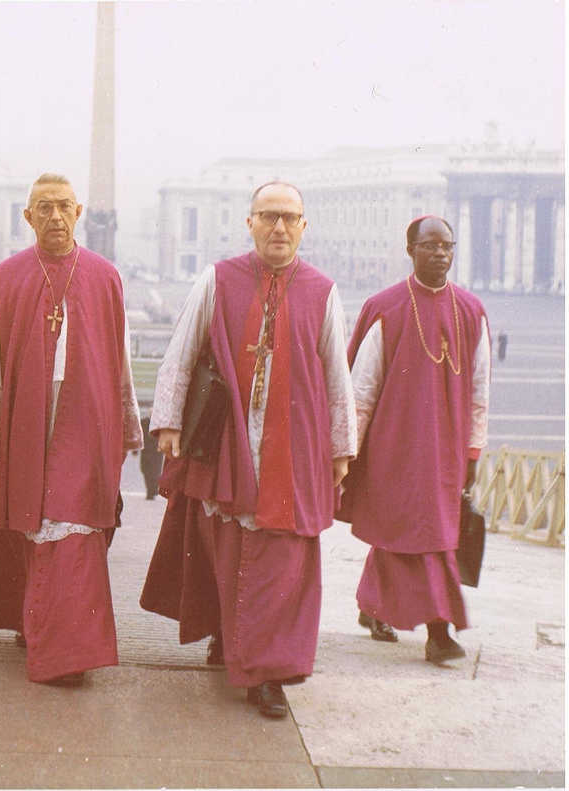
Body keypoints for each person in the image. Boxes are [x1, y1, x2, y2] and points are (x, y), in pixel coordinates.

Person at [139, 182, 357, 719]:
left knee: (281, 561)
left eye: (290, 218)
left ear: (304, 226)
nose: (279, 227)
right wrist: (167, 422)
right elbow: (182, 351)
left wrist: (341, 447)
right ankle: (230, 637)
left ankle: (270, 673)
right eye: (269, 216)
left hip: (295, 444)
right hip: (226, 440)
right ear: (250, 222)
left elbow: (337, 375)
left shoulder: (323, 291)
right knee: (228, 551)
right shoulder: (217, 279)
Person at [0, 173, 143, 686]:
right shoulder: (8, 276)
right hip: (24, 420)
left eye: (64, 206)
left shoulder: (105, 276)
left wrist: (127, 429)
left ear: (80, 211)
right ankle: (36, 622)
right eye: (43, 208)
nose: (55, 217)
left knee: (72, 528)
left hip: (85, 426)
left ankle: (68, 651)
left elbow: (121, 357)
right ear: (27, 217)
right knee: (26, 520)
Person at [342, 215, 489, 664]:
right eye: (430, 246)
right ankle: (436, 631)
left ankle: (393, 614)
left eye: (447, 245)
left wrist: (474, 448)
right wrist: (348, 450)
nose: (441, 254)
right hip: (394, 445)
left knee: (427, 533)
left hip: (446, 449)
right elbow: (362, 389)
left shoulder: (471, 310)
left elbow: (481, 388)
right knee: (412, 530)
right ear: (411, 250)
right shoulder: (386, 307)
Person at [138, 413, 163, 500]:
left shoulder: (160, 423)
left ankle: (151, 491)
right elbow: (139, 434)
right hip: (145, 451)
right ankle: (152, 490)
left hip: (156, 452)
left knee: (155, 472)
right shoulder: (143, 422)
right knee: (145, 470)